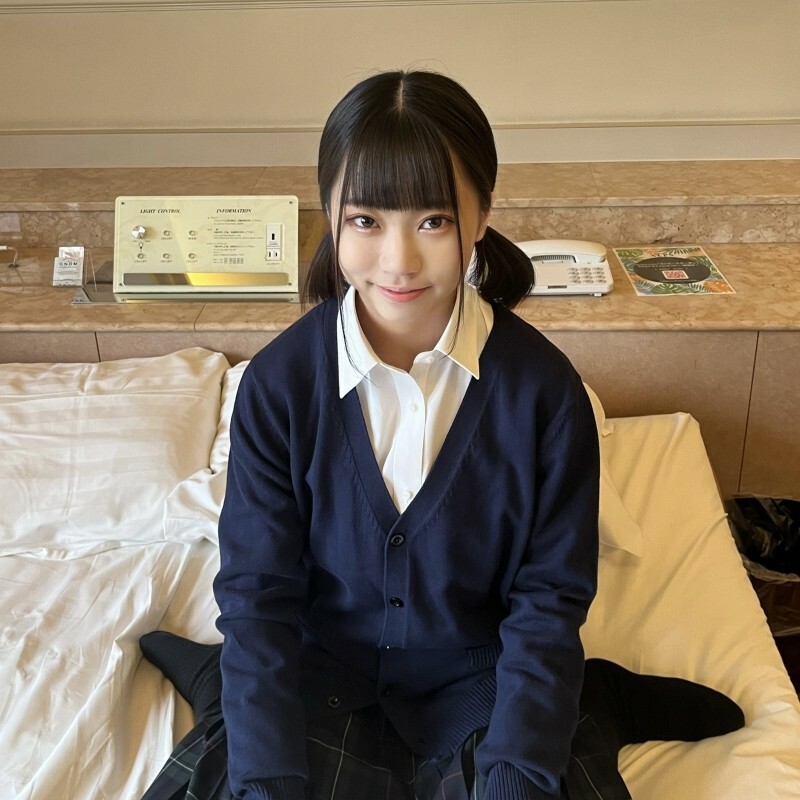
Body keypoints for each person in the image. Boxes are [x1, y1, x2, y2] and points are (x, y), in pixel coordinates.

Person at [139, 70, 743, 800]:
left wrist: (515, 774)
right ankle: (221, 689)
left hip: (481, 678)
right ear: (330, 214)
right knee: (243, 770)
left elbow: (548, 601)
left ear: (482, 214)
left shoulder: (545, 395)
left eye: (432, 221)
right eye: (366, 221)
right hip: (323, 673)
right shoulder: (278, 386)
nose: (398, 260)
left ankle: (596, 698)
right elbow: (260, 596)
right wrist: (267, 778)